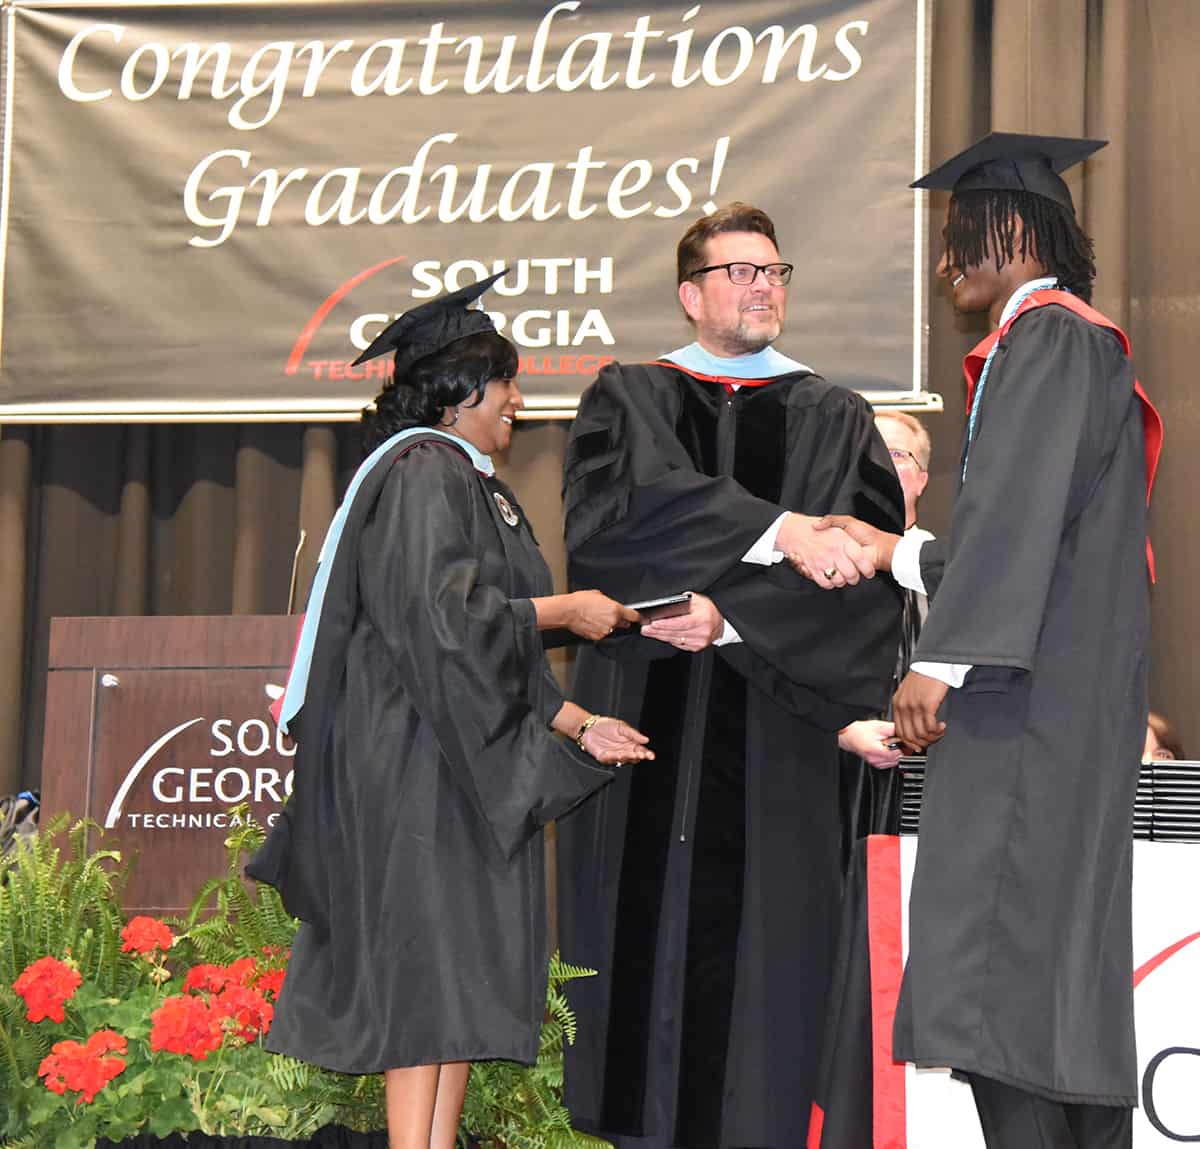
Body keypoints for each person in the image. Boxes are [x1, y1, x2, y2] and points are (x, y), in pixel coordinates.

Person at [246, 273, 655, 1149]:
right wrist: (565, 610)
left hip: (447, 763)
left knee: (455, 980)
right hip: (414, 765)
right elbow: (444, 622)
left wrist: (578, 722)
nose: (517, 400)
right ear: (464, 390)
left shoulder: (462, 480)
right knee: (427, 981)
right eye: (507, 382)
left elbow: (485, 653)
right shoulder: (425, 471)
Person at [813, 133, 1163, 1149]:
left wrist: (939, 660)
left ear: (1012, 230)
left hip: (1021, 715)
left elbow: (1015, 518)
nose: (945, 264)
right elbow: (1038, 532)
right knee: (1051, 978)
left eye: (961, 239)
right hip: (1054, 703)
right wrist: (898, 555)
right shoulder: (1076, 344)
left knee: (993, 970)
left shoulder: (1047, 340)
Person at [555, 202, 904, 1148]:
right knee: (639, 980)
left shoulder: (835, 415)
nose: (762, 286)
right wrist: (779, 533)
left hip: (777, 733)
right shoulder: (626, 395)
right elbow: (609, 525)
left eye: (775, 272)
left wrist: (734, 620)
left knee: (765, 1005)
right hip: (645, 722)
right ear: (691, 291)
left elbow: (865, 581)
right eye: (741, 270)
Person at [837, 411, 933, 846]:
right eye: (868, 454)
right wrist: (840, 731)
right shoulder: (814, 564)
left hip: (937, 785)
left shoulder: (959, 572)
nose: (880, 464)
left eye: (895, 453)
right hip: (834, 779)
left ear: (922, 478)